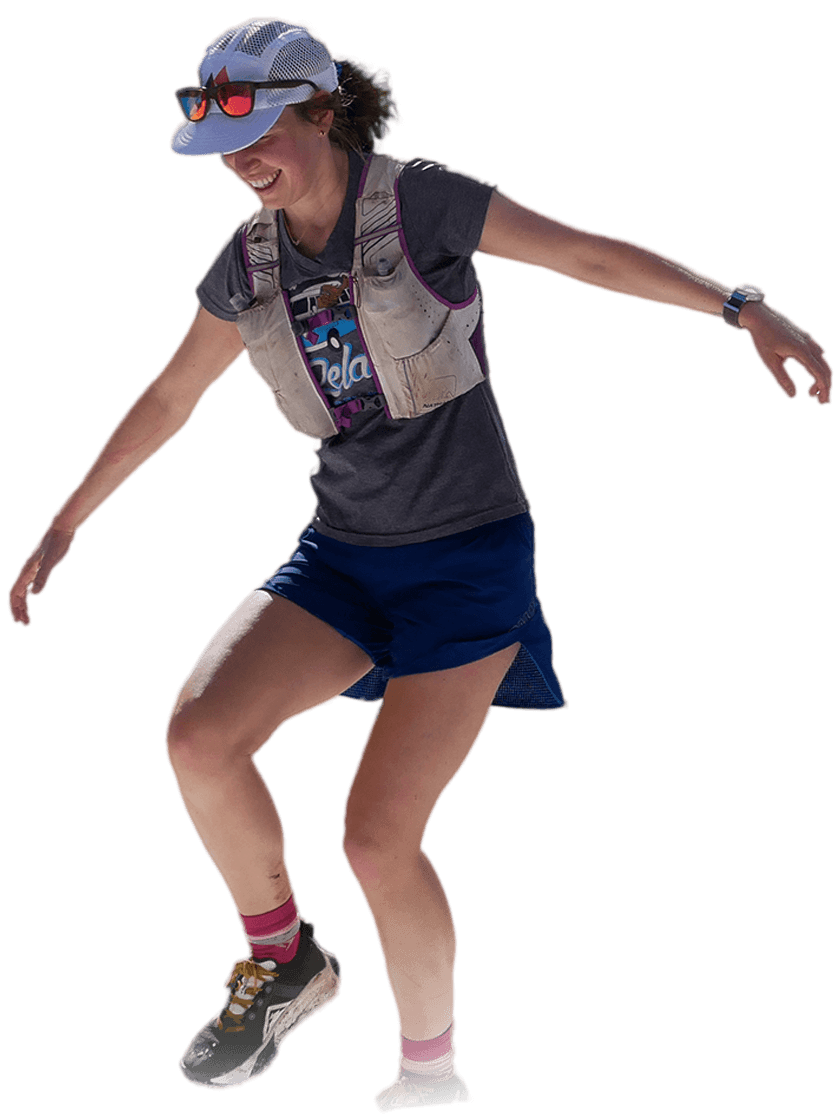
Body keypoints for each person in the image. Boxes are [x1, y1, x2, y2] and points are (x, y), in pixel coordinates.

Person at [7, 14, 833, 1112]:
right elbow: (171, 394)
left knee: (375, 839)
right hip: (343, 554)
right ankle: (285, 958)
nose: (244, 160)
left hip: (468, 560)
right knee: (199, 738)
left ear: (317, 108)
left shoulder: (419, 200)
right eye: (225, 145)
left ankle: (430, 1074)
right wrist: (70, 519)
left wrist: (736, 303)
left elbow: (583, 250)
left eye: (262, 130)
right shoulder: (247, 263)